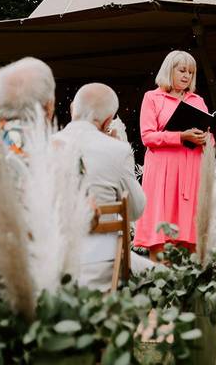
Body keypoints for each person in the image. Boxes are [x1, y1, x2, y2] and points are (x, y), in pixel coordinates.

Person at [54, 83, 153, 289]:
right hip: (103, 267)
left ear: (73, 108)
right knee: (162, 275)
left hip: (51, 267)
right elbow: (135, 210)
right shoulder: (117, 150)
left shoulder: (45, 144)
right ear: (108, 120)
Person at [133, 51, 211, 258]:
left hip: (191, 172)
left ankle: (187, 280)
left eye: (191, 72)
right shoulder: (152, 97)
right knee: (161, 231)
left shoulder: (197, 100)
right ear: (170, 70)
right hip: (163, 173)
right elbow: (147, 137)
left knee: (189, 234)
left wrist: (205, 139)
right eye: (182, 70)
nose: (186, 76)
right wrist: (180, 135)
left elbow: (209, 136)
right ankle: (159, 276)